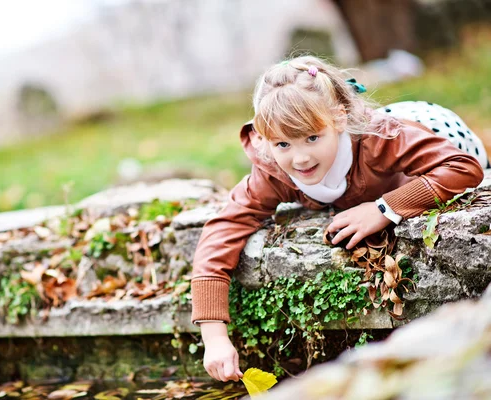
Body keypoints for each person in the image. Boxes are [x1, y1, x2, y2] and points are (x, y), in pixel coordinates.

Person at [191, 55, 487, 382]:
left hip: (436, 134)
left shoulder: (383, 139)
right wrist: (214, 336)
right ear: (264, 138)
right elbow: (222, 231)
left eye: (312, 138)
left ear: (339, 119)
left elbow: (461, 168)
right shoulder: (272, 169)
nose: (300, 157)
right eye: (283, 143)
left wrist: (383, 209)